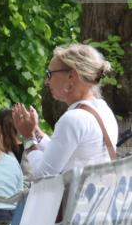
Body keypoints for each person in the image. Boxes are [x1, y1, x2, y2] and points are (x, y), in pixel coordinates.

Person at [13, 43, 118, 177]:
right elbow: (61, 152)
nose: (47, 81)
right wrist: (36, 131)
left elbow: (43, 175)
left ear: (71, 76)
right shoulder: (103, 109)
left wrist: (28, 138)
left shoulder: (74, 118)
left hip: (76, 197)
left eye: (50, 74)